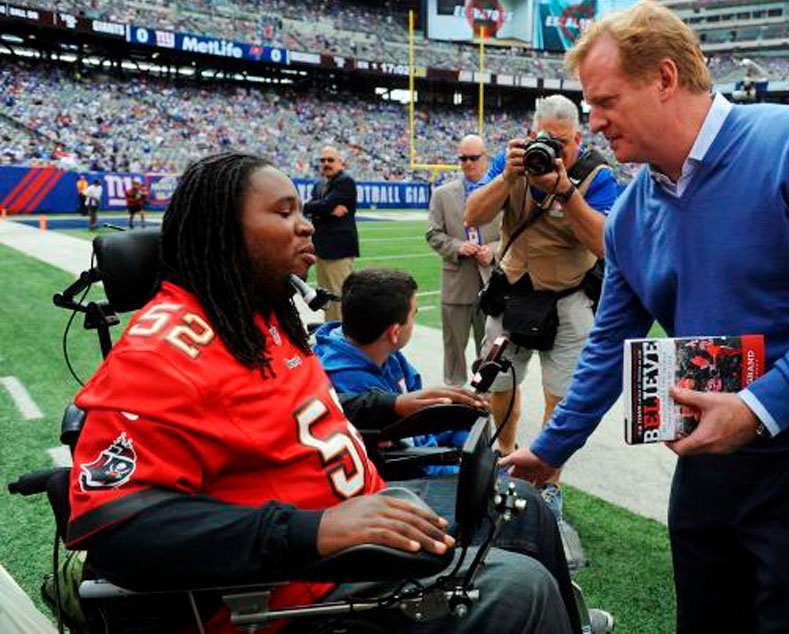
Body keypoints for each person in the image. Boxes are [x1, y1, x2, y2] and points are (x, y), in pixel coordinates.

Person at [501, 3, 789, 632]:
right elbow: (614, 336)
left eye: (605, 100)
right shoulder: (635, 207)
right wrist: (550, 449)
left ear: (665, 79)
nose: (593, 121)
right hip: (707, 451)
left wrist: (760, 407)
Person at [65, 152, 572, 634]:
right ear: (225, 232)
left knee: (523, 509)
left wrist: (395, 405)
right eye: (283, 213)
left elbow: (301, 414)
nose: (305, 224)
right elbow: (115, 526)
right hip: (295, 588)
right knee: (519, 590)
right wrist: (315, 528)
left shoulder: (256, 312)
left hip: (358, 512)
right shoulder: (162, 353)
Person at [464, 95, 622, 518]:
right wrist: (506, 179)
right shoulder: (511, 161)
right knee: (498, 385)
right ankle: (506, 454)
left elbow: (604, 243)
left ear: (578, 139)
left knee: (561, 396)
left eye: (565, 143)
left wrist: (566, 191)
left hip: (567, 295)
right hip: (513, 289)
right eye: (547, 141)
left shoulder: (597, 174)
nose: (556, 151)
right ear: (532, 135)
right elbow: (473, 215)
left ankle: (549, 482)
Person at [313, 269, 483, 476]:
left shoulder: (385, 352)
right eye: (413, 315)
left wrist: (464, 430)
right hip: (411, 474)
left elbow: (424, 425)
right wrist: (475, 471)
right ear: (394, 332)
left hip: (424, 448)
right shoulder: (349, 382)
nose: (414, 321)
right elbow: (412, 459)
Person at [426, 134, 501, 387]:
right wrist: (458, 246)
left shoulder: (502, 193)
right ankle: (455, 395)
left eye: (473, 158)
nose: (468, 163)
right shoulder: (442, 194)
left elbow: (513, 237)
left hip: (491, 283)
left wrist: (492, 250)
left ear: (486, 158)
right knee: (454, 348)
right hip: (456, 282)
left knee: (490, 348)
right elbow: (433, 233)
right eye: (463, 158)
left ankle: (486, 394)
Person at [305, 146, 357, 322]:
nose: (326, 164)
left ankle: (342, 339)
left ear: (341, 163)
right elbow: (312, 206)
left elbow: (323, 205)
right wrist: (324, 209)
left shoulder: (345, 181)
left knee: (339, 296)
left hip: (339, 250)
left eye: (330, 160)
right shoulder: (319, 184)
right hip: (321, 247)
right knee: (326, 297)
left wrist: (320, 208)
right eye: (323, 160)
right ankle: (330, 333)